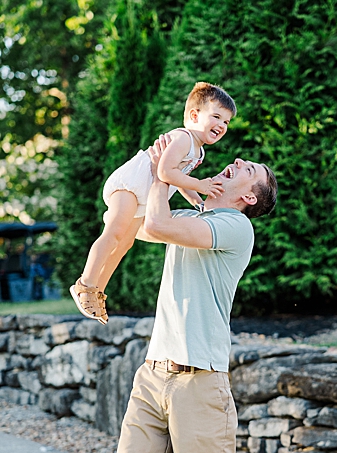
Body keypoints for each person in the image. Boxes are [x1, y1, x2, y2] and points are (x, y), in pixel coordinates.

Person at [92, 132, 277, 453]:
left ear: (247, 196)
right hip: (154, 374)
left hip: (201, 380)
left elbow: (156, 224)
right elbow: (136, 226)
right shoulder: (197, 216)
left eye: (249, 169)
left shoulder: (234, 227)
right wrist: (139, 185)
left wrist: (165, 169)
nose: (237, 160)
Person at [71, 82, 237, 325]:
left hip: (145, 197)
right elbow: (166, 171)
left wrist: (198, 201)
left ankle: (98, 291)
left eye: (226, 122)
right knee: (115, 233)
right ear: (194, 115)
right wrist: (200, 184)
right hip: (130, 185)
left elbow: (179, 181)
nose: (222, 126)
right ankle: (84, 284)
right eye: (216, 117)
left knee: (125, 243)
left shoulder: (198, 152)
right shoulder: (183, 137)